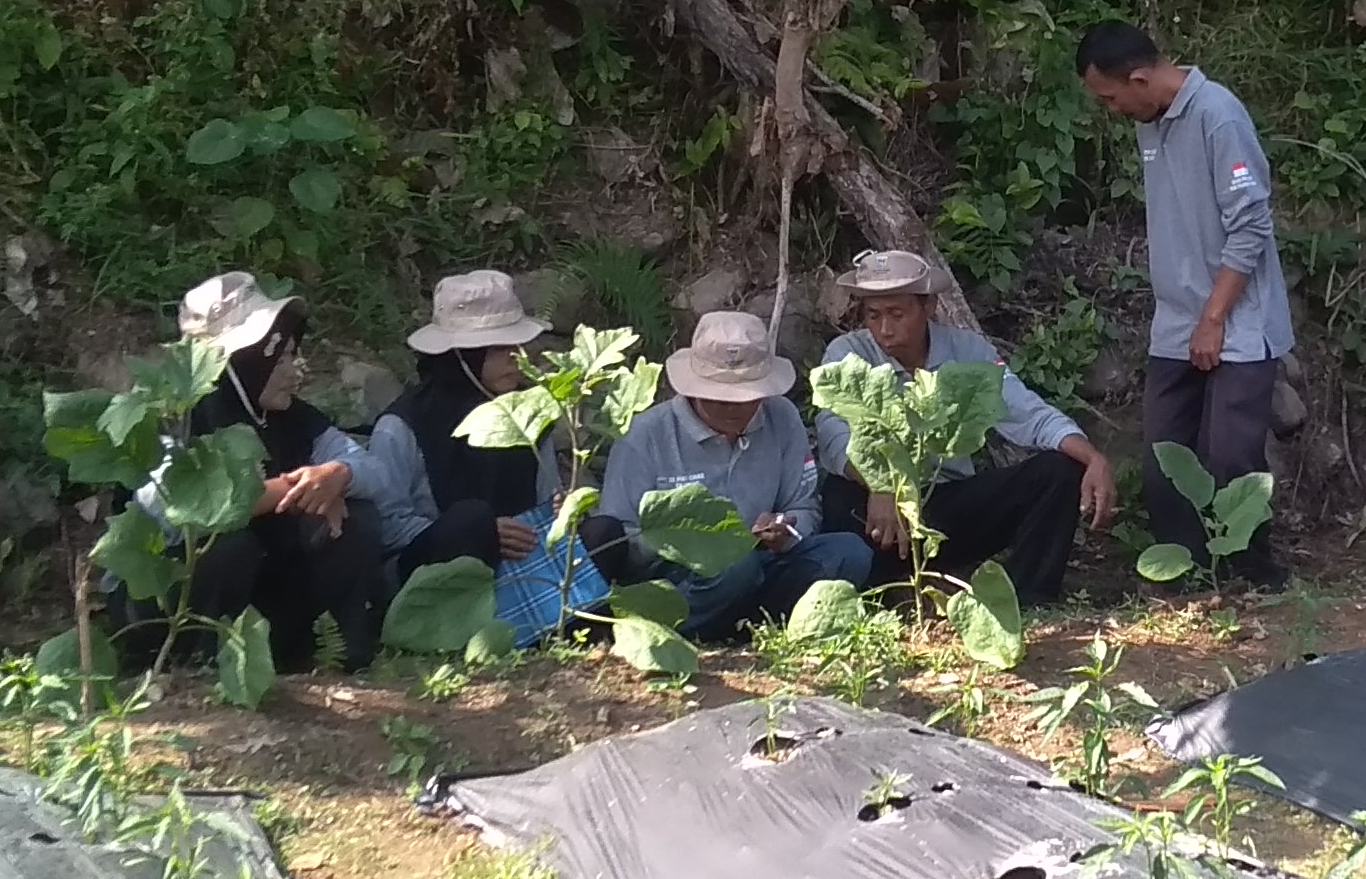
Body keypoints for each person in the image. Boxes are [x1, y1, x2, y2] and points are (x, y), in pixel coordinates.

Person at [1076, 22, 1293, 583]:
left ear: (1140, 78)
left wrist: (1214, 319)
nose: (1111, 109)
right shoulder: (1151, 120)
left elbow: (1249, 225)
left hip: (1235, 317)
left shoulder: (1218, 116)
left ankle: (1250, 572)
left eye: (1110, 97)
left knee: (1231, 459)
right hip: (1176, 318)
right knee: (1165, 457)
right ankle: (1183, 574)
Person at [810, 248, 1114, 602]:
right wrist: (884, 483)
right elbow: (834, 434)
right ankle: (872, 594)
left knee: (1059, 471)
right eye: (873, 315)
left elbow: (1027, 412)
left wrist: (1093, 457)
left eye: (897, 314)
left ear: (928, 307)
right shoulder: (846, 352)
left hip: (944, 506)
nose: (884, 329)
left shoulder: (967, 350)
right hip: (876, 511)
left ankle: (1026, 601)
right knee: (838, 496)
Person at [119, 273, 380, 674]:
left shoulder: (294, 417)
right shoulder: (173, 416)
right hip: (166, 596)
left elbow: (376, 471)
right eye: (284, 357)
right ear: (247, 359)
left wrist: (337, 474)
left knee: (353, 520)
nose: (298, 370)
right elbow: (175, 509)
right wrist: (296, 488)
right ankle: (195, 668)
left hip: (263, 588)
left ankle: (331, 656)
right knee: (228, 547)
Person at [603, 309, 873, 636]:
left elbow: (803, 507)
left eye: (746, 397)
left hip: (763, 562)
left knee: (849, 552)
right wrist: (693, 542)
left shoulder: (782, 418)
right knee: (733, 567)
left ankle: (748, 622)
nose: (733, 407)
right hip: (679, 577)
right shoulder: (645, 435)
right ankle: (672, 629)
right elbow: (618, 540)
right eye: (719, 398)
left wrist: (786, 532)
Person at [359, 270, 566, 581]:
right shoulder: (402, 425)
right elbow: (387, 526)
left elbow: (546, 495)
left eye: (518, 345)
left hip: (525, 557)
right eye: (499, 349)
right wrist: (483, 533)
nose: (517, 357)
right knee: (471, 520)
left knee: (601, 532)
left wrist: (560, 509)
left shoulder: (529, 411)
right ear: (465, 356)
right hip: (432, 576)